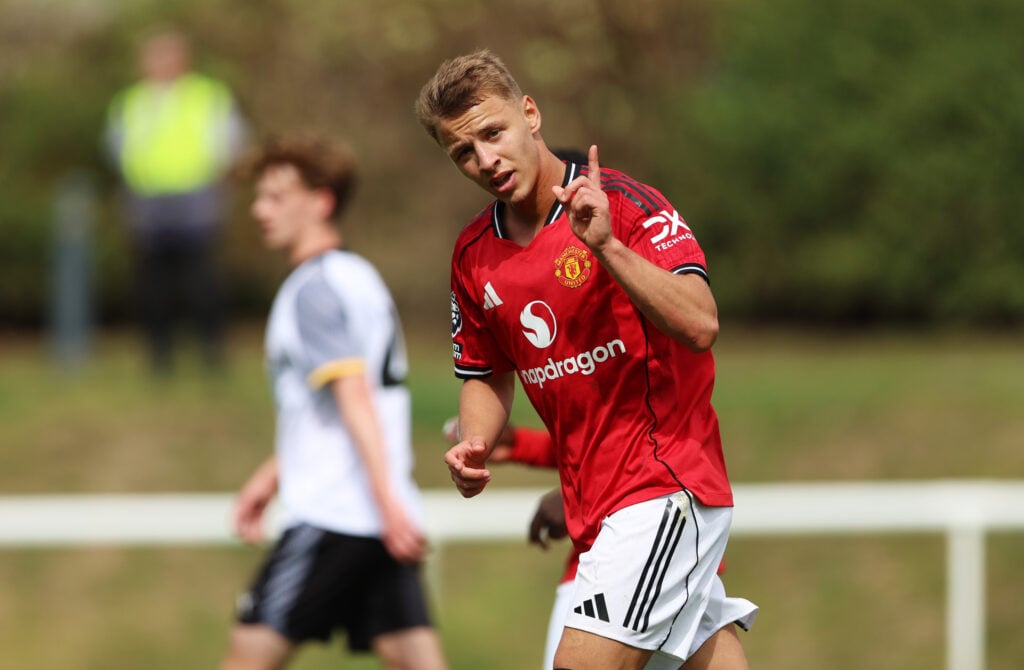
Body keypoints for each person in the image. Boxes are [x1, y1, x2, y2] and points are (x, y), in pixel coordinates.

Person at [416, 50, 757, 670]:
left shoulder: (621, 205)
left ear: (530, 114)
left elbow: (701, 324)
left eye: (493, 134)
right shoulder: (473, 255)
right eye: (464, 153)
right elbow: (485, 373)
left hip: (663, 487)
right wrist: (475, 441)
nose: (485, 160)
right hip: (594, 509)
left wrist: (606, 248)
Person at [219, 135, 447, 670]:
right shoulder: (359, 277)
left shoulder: (312, 290)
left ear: (321, 201)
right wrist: (271, 476)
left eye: (276, 196)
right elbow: (334, 412)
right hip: (372, 512)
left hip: (334, 513)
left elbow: (353, 398)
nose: (259, 210)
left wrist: (386, 501)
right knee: (418, 660)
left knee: (246, 655)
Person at [105, 28, 246, 374]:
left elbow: (231, 141)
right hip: (147, 198)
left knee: (201, 279)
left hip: (196, 195)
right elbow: (116, 147)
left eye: (168, 55)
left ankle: (212, 355)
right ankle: (160, 358)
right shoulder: (131, 100)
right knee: (153, 282)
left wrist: (218, 180)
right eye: (154, 56)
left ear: (184, 59)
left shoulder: (207, 95)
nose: (160, 64)